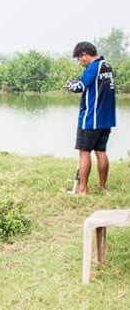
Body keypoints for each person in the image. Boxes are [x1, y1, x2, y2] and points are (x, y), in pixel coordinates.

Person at [65, 42, 116, 195]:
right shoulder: (106, 66)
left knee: (84, 152)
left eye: (79, 59)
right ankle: (102, 187)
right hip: (106, 120)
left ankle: (82, 189)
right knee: (101, 151)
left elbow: (79, 87)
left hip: (90, 119)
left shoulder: (92, 68)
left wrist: (69, 85)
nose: (80, 62)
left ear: (85, 55)